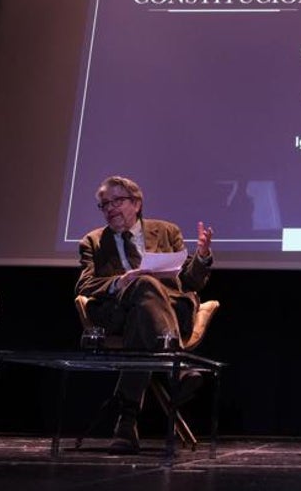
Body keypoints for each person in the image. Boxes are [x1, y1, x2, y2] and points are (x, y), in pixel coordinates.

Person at [74, 175, 214, 454]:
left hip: (171, 311)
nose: (111, 208)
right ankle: (174, 366)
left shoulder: (166, 231)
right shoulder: (92, 241)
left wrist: (201, 256)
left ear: (137, 203)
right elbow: (85, 284)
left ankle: (126, 422)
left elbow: (190, 282)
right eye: (104, 204)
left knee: (146, 298)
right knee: (143, 285)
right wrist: (120, 282)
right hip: (119, 313)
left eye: (118, 201)